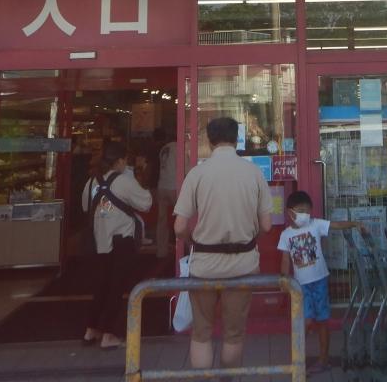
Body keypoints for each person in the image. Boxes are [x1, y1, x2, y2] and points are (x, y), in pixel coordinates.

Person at [173, 116, 272, 375]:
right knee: (234, 333)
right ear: (237, 138)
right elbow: (267, 225)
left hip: (204, 265)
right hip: (242, 265)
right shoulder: (253, 173)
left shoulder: (197, 173)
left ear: (209, 140)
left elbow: (179, 227)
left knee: (201, 331)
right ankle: (228, 378)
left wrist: (192, 241)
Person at [276, 191, 366, 374]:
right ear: (290, 212)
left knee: (323, 321)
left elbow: (336, 225)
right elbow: (285, 259)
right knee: (306, 322)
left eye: (307, 211)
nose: (305, 215)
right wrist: (284, 280)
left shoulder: (316, 224)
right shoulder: (285, 235)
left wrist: (355, 224)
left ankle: (323, 360)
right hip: (300, 286)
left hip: (320, 282)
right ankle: (298, 360)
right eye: (300, 211)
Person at [81, 141, 153, 349]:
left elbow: (86, 206)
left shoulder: (91, 182)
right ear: (120, 161)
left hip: (98, 241)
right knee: (117, 287)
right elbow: (146, 203)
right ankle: (109, 334)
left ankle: (91, 330)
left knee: (101, 286)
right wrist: (139, 178)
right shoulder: (124, 181)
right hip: (121, 241)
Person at [154, 128, 178, 259]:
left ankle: (161, 251)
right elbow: (186, 168)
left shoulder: (164, 148)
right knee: (182, 217)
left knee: (162, 220)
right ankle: (184, 248)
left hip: (162, 185)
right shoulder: (179, 148)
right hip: (174, 187)